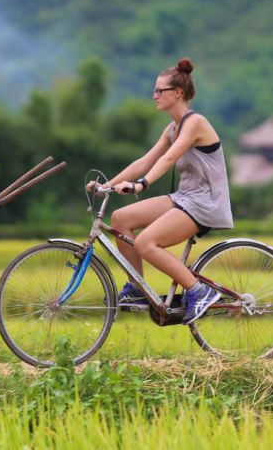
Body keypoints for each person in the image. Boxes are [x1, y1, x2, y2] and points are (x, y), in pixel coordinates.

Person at [87, 58, 233, 324]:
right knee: (121, 219)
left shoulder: (195, 122)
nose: (154, 95)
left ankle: (199, 292)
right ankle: (137, 289)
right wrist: (107, 186)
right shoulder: (173, 128)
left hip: (204, 203)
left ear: (178, 93)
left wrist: (141, 184)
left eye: (159, 91)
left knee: (145, 243)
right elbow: (145, 161)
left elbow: (167, 160)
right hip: (184, 198)